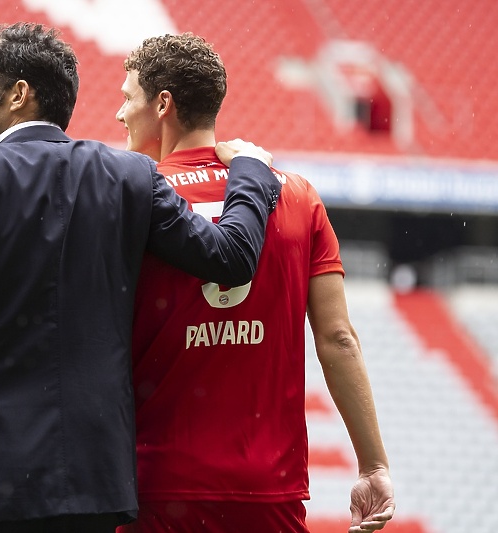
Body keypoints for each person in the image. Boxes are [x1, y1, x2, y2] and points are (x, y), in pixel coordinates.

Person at [0, 23, 282, 533]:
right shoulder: (129, 176)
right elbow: (231, 257)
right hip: (88, 486)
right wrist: (250, 172)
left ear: (18, 95)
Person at [114, 34, 395, 533]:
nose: (120, 114)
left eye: (127, 97)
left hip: (155, 483)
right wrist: (373, 466)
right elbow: (338, 338)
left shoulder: (131, 200)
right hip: (268, 489)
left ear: (163, 105)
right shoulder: (298, 196)